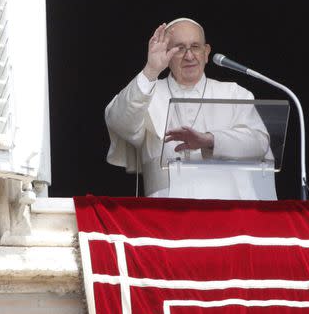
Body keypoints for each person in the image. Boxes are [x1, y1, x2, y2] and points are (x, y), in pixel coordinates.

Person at [105, 18, 273, 199]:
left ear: (206, 52)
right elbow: (119, 121)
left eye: (195, 46)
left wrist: (210, 140)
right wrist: (150, 70)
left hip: (228, 209)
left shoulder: (234, 93)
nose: (189, 56)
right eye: (179, 48)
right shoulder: (147, 92)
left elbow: (259, 143)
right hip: (165, 212)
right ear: (166, 53)